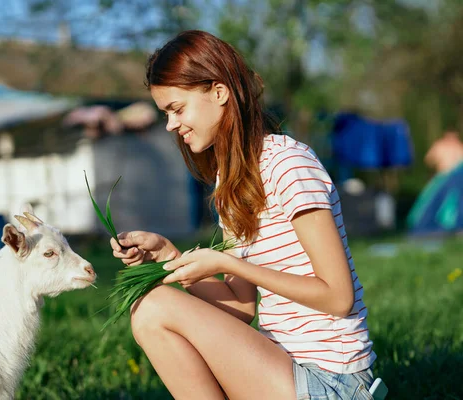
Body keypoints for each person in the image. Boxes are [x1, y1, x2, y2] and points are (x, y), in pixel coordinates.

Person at [110, 30, 376, 400]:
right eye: (166, 113)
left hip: (333, 381)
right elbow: (240, 307)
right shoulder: (230, 183)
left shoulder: (288, 163)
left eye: (177, 109)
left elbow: (337, 297)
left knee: (155, 307)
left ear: (219, 93)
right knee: (148, 309)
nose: (171, 125)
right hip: (284, 366)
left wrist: (229, 263)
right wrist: (172, 258)